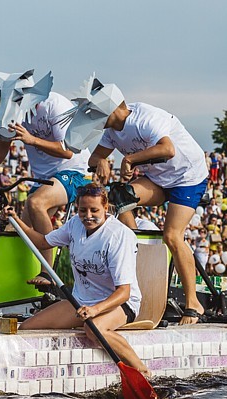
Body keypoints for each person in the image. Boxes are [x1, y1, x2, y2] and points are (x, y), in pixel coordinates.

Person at [5, 183, 149, 377]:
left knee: (93, 328)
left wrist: (95, 310)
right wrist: (16, 220)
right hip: (81, 302)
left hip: (119, 304)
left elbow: (124, 292)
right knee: (27, 328)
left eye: (94, 210)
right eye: (83, 210)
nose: (88, 216)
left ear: (106, 208)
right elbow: (41, 242)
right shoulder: (74, 224)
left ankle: (141, 370)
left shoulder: (118, 236)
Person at [89, 96, 209, 324]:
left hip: (187, 176)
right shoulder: (111, 131)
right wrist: (101, 162)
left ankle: (193, 303)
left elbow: (168, 149)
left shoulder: (145, 118)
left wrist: (130, 159)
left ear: (111, 110)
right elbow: (96, 157)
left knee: (172, 236)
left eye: (96, 114)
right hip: (159, 179)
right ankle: (132, 247)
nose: (93, 121)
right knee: (119, 197)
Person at [0, 91, 92, 287]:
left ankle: (48, 274)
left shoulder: (55, 105)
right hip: (44, 177)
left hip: (75, 170)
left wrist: (31, 140)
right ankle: (16, 285)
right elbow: (3, 142)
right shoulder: (14, 110)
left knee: (36, 202)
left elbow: (67, 150)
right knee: (22, 229)